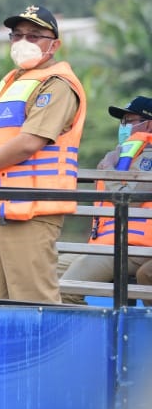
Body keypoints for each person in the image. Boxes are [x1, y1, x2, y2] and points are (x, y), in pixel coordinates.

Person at [0, 5, 87, 304]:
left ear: (54, 44)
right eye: (16, 35)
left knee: (34, 303)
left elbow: (30, 141)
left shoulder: (57, 84)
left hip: (32, 209)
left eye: (34, 35)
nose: (23, 42)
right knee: (5, 301)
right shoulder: (11, 81)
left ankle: (49, 354)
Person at [60, 95, 152, 303]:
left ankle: (90, 335)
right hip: (107, 244)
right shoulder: (127, 155)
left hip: (134, 248)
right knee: (43, 273)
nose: (124, 127)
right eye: (122, 121)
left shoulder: (148, 157)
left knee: (66, 290)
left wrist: (109, 168)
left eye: (130, 121)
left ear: (149, 125)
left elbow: (129, 199)